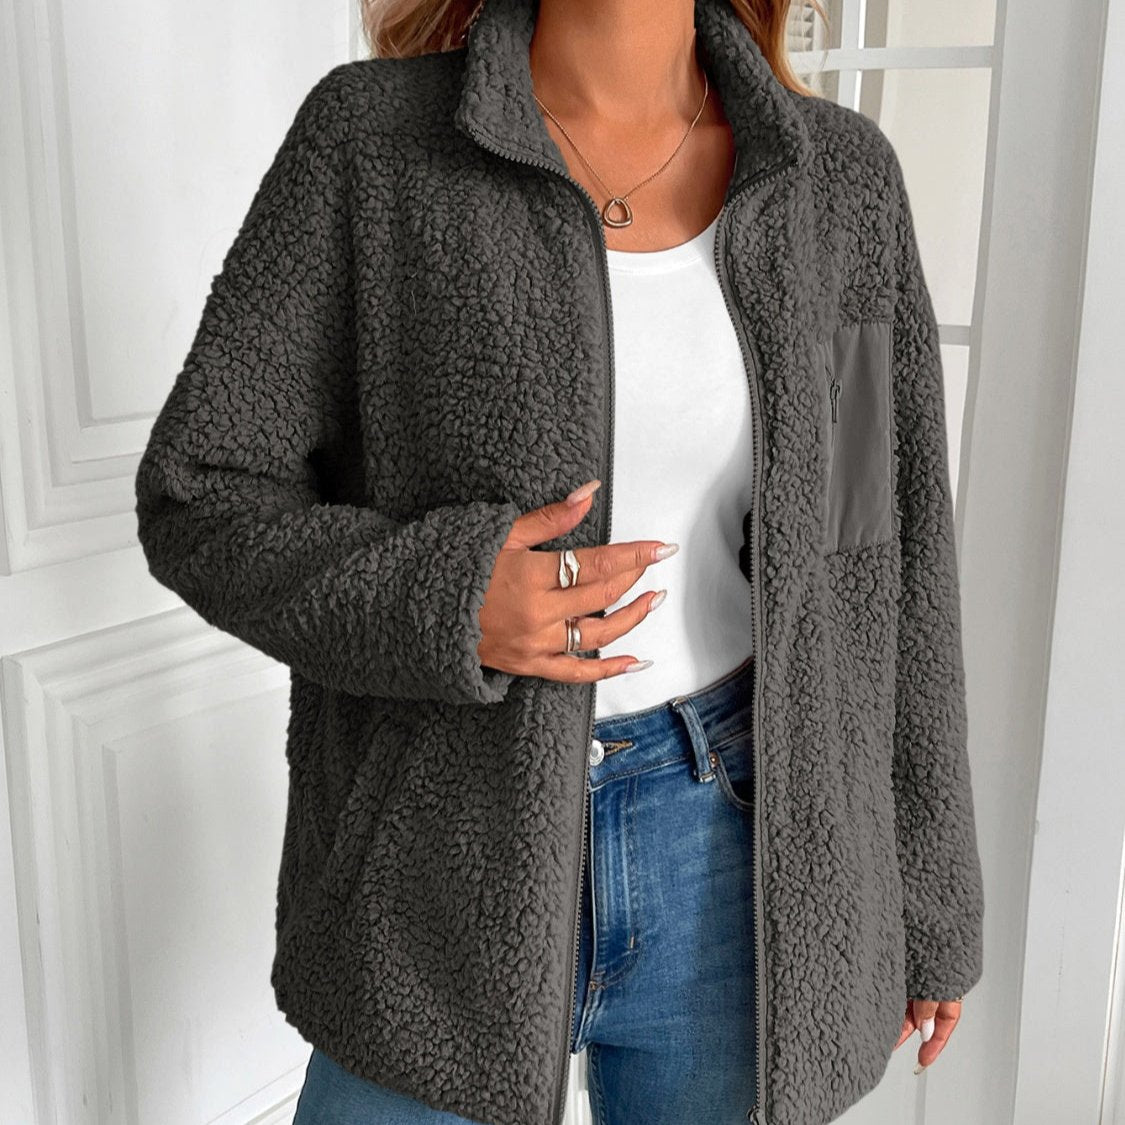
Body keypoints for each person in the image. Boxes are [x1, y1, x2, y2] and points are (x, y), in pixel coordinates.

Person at [134, 0, 986, 1121]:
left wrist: (930, 899)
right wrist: (449, 599)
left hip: (736, 859)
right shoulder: (371, 144)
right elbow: (200, 494)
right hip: (438, 857)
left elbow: (873, 550)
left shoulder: (837, 186)